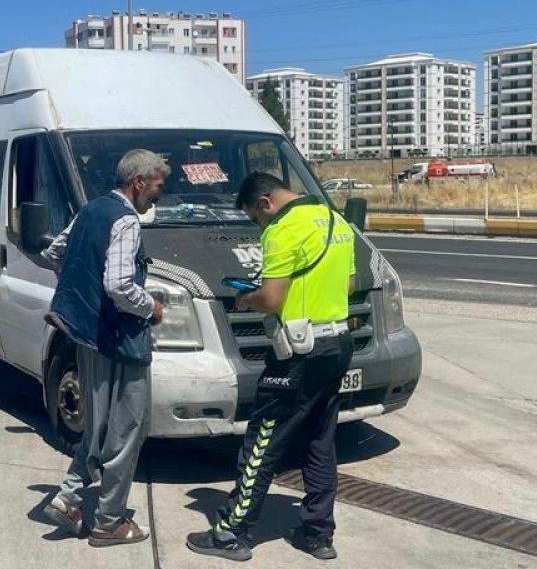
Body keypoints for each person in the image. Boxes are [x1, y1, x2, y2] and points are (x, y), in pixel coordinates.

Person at [186, 171, 357, 562]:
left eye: (254, 217)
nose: (258, 225)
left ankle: (232, 532)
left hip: (299, 350)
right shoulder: (336, 221)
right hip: (337, 343)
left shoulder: (281, 230)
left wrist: (248, 300)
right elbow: (347, 286)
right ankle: (316, 532)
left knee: (262, 439)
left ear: (265, 203)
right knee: (320, 439)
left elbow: (273, 297)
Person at [40, 149, 169, 547]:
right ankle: (109, 520)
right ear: (138, 182)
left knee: (96, 426)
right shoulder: (127, 219)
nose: (159, 195)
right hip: (119, 338)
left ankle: (68, 499)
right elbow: (118, 285)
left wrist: (82, 295)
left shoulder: (91, 209)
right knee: (128, 428)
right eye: (157, 186)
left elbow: (54, 252)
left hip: (86, 334)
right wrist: (151, 308)